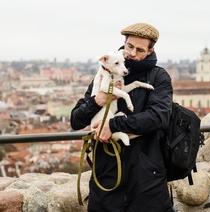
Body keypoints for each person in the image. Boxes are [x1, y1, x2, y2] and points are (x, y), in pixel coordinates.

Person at [70, 23, 174, 212]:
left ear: (151, 51)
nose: (133, 53)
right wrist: (99, 100)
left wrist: (114, 124)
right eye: (130, 46)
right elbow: (76, 120)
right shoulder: (105, 72)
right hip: (107, 176)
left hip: (146, 179)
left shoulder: (158, 77)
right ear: (124, 43)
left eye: (140, 50)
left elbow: (159, 117)